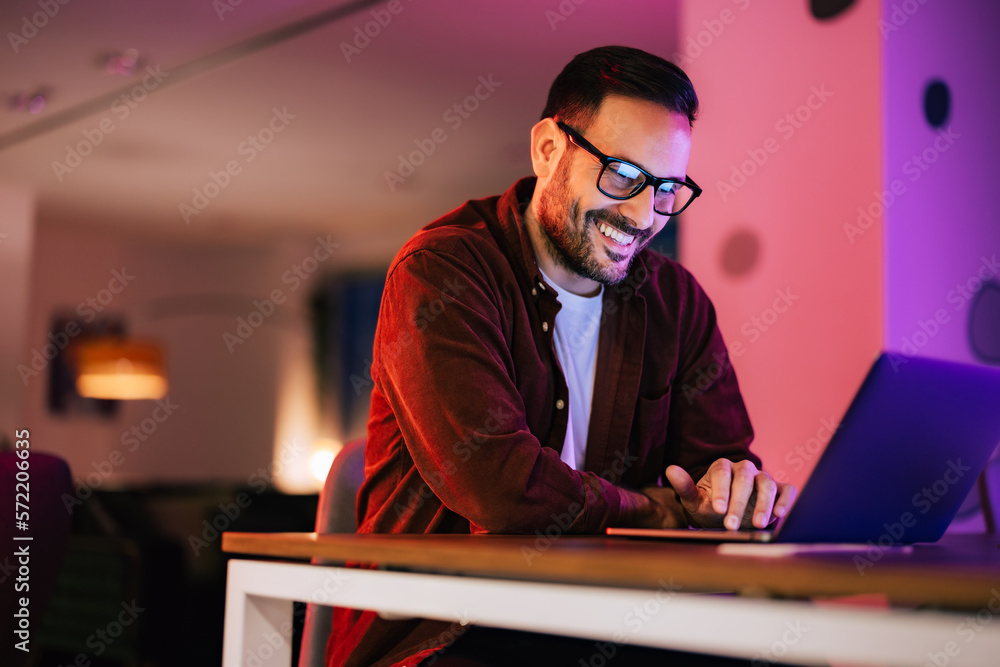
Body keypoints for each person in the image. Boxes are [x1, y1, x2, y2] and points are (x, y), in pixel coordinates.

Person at [326, 45, 797, 667]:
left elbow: (717, 464)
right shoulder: (441, 275)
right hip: (451, 629)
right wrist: (648, 511)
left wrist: (731, 493)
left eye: (666, 189)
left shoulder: (676, 302)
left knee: (781, 650)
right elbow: (500, 485)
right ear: (549, 148)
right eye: (623, 175)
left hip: (613, 617)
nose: (641, 214)